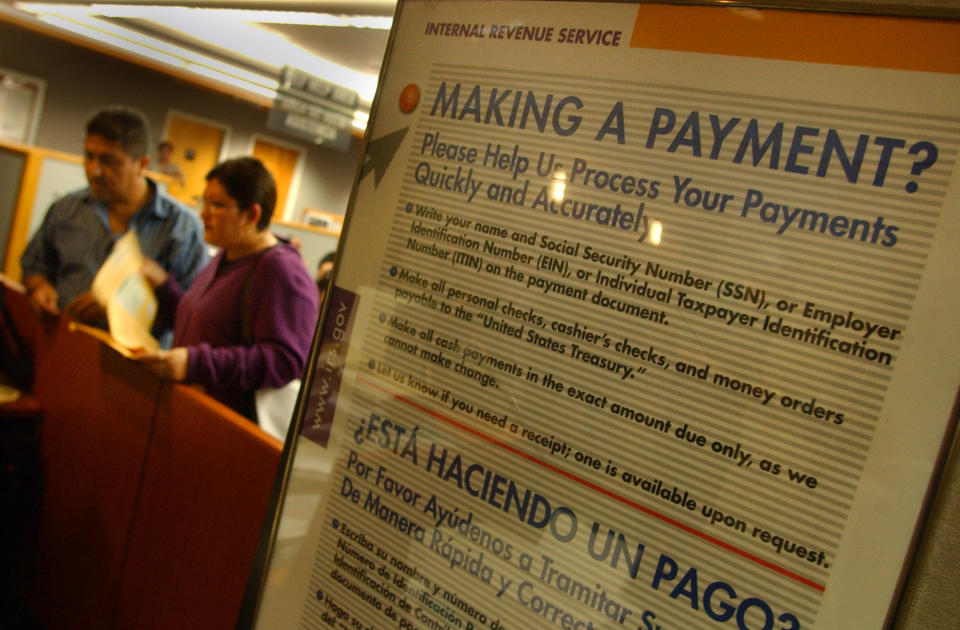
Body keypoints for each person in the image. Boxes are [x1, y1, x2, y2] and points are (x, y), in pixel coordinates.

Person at [137, 157, 318, 424]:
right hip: (188, 413)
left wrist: (194, 364)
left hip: (226, 429)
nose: (204, 213)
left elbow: (286, 360)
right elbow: (203, 325)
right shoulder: (226, 253)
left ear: (252, 214)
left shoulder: (281, 270)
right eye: (204, 201)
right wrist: (162, 286)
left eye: (217, 205)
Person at [20, 108, 208, 343]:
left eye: (108, 161)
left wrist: (120, 309)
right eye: (89, 157)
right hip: (62, 346)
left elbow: (192, 314)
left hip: (134, 367)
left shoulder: (182, 228)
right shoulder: (66, 209)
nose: (94, 171)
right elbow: (33, 266)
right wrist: (40, 287)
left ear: (141, 164)